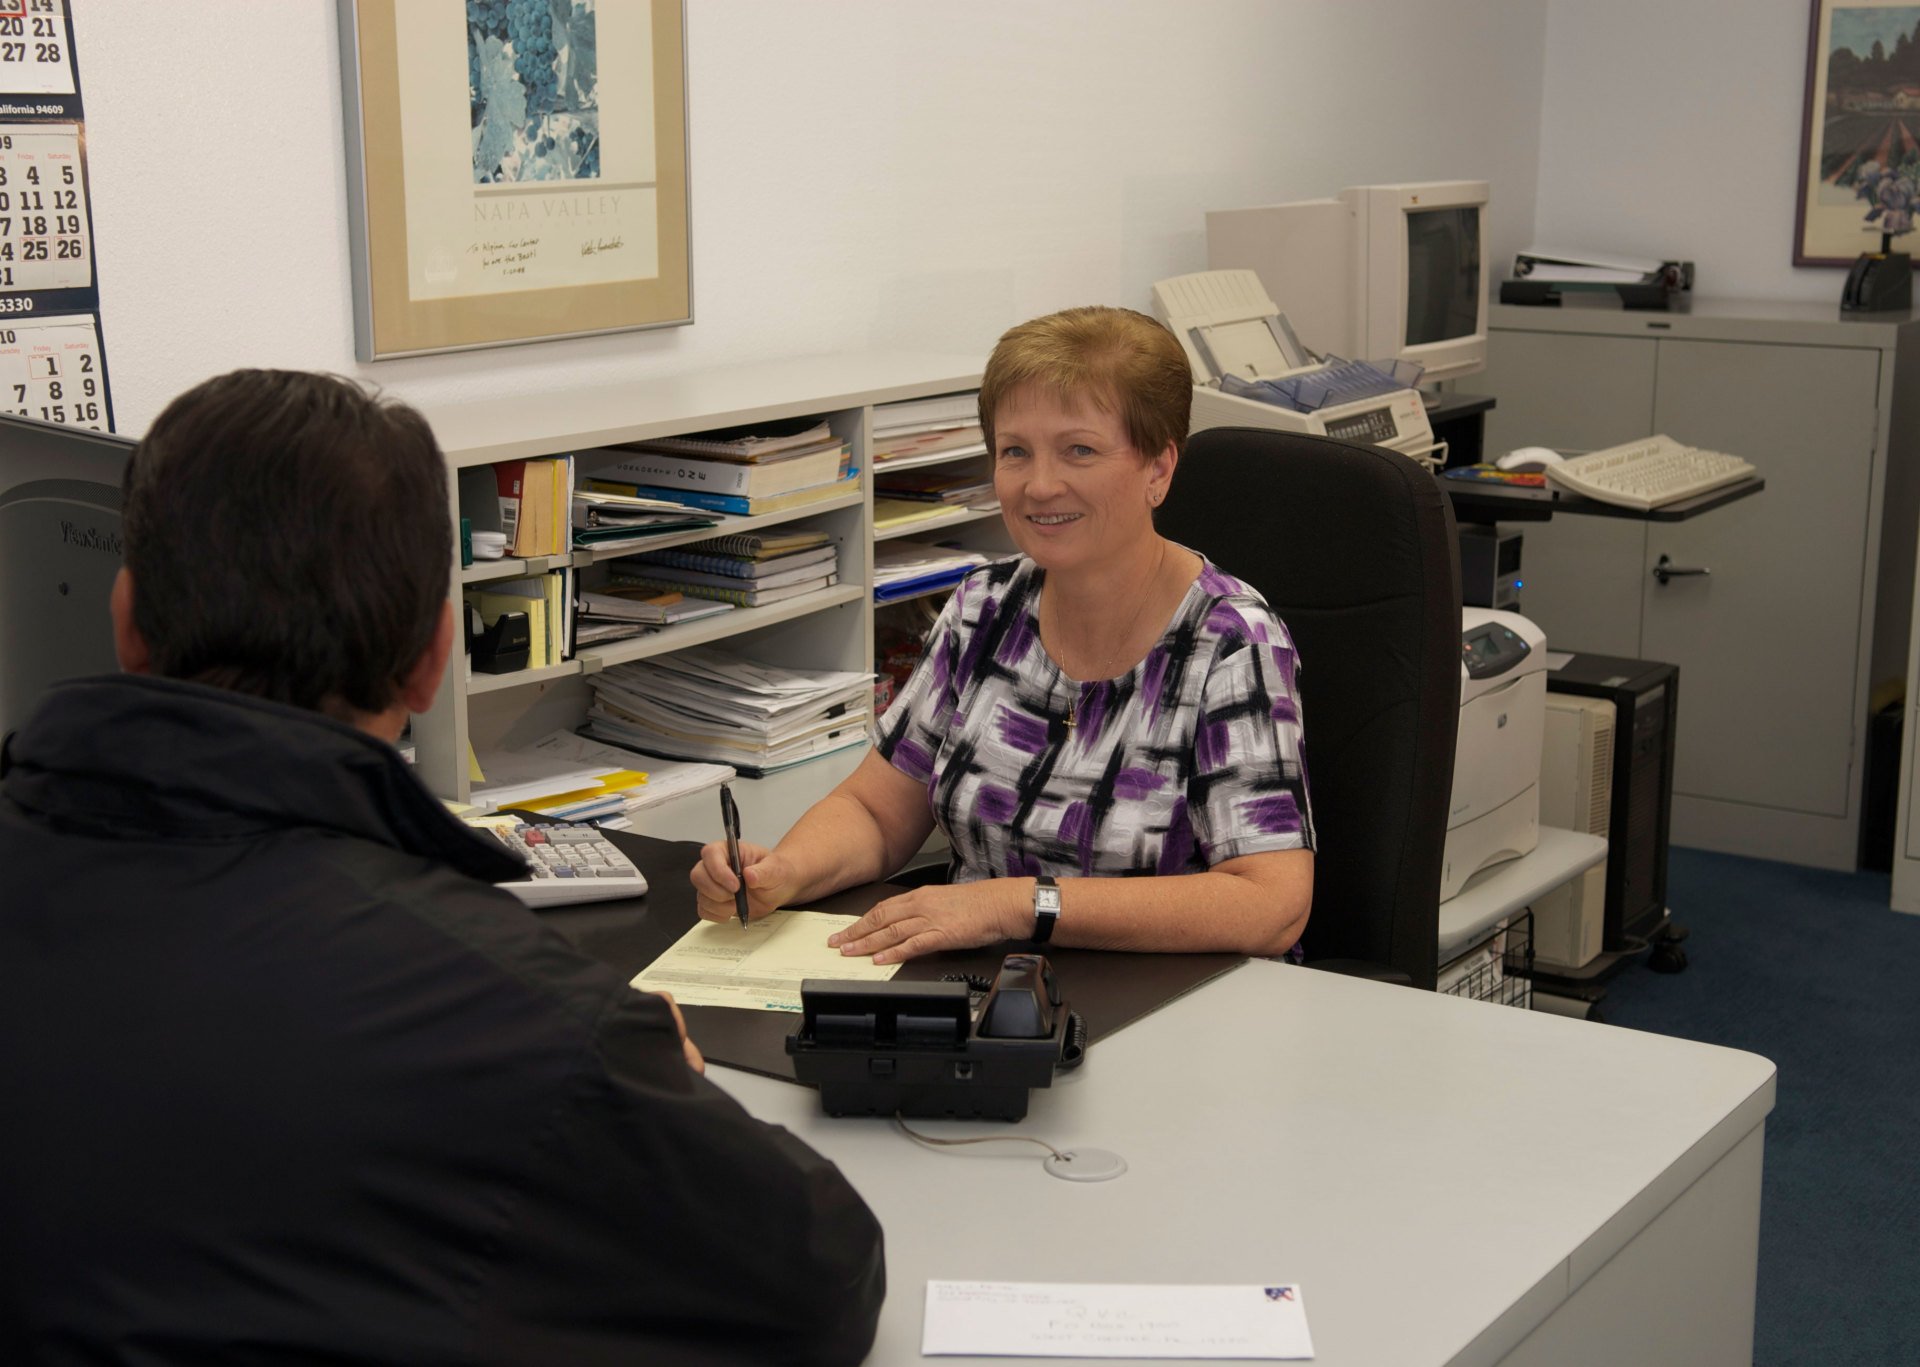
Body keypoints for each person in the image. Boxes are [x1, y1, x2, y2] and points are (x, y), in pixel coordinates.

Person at [0, 371, 883, 1366]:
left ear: (125, 621)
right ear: (432, 659)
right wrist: (655, 1076)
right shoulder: (512, 1016)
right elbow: (817, 1281)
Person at [693, 306, 1314, 964]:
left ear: (1158, 468)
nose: (1040, 485)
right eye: (1016, 451)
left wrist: (1015, 902)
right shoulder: (984, 608)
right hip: (992, 991)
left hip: (1173, 1003)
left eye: (1079, 449)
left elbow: (1270, 904)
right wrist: (784, 872)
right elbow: (877, 813)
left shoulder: (1230, 640)